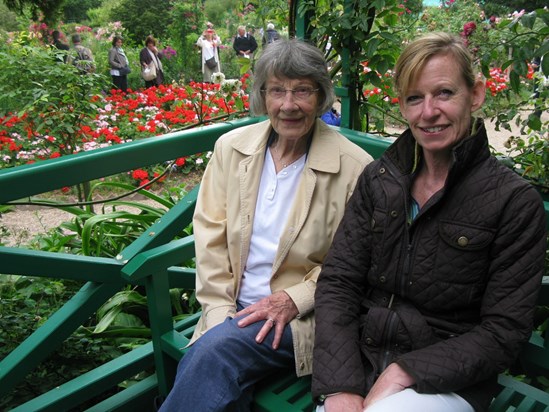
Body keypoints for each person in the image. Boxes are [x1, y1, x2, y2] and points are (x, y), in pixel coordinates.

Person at [312, 32, 547, 412]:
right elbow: (339, 281)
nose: (428, 112)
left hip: (447, 380)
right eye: (414, 98)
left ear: (477, 94)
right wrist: (340, 385)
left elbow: (503, 331)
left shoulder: (512, 202)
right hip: (364, 359)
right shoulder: (379, 180)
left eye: (444, 93)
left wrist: (404, 371)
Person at [158, 38, 373, 411]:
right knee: (219, 358)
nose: (288, 105)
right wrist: (220, 315)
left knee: (215, 356)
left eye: (302, 91)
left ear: (321, 96)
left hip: (303, 318)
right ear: (262, 95)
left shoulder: (354, 168)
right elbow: (210, 237)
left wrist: (295, 298)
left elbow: (357, 264)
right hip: (232, 308)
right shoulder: (232, 148)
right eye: (277, 90)